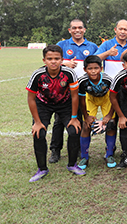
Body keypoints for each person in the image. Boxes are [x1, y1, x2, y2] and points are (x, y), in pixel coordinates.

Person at [26, 45, 84, 182]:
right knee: (39, 133)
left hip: (65, 104)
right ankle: (42, 168)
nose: (53, 61)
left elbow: (75, 96)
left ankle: (72, 165)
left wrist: (75, 117)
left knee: (74, 130)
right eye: (49, 59)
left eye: (57, 58)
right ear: (44, 60)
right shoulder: (38, 75)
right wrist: (38, 122)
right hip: (43, 105)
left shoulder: (69, 73)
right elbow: (31, 98)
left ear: (62, 60)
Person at [50, 19, 97, 164]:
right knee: (59, 121)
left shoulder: (93, 46)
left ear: (84, 30)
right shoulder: (61, 45)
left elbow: (97, 64)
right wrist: (65, 62)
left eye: (80, 28)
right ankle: (55, 150)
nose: (77, 30)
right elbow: (50, 59)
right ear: (69, 30)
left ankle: (77, 149)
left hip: (83, 90)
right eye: (74, 28)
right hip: (63, 89)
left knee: (81, 119)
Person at [76, 55, 117, 169]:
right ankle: (84, 157)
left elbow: (115, 98)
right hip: (91, 99)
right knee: (86, 125)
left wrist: (109, 115)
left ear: (101, 68)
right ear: (85, 70)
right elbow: (82, 100)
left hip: (106, 99)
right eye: (90, 68)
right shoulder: (83, 81)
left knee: (111, 124)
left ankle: (109, 154)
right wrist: (86, 116)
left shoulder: (108, 80)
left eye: (96, 68)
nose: (93, 71)